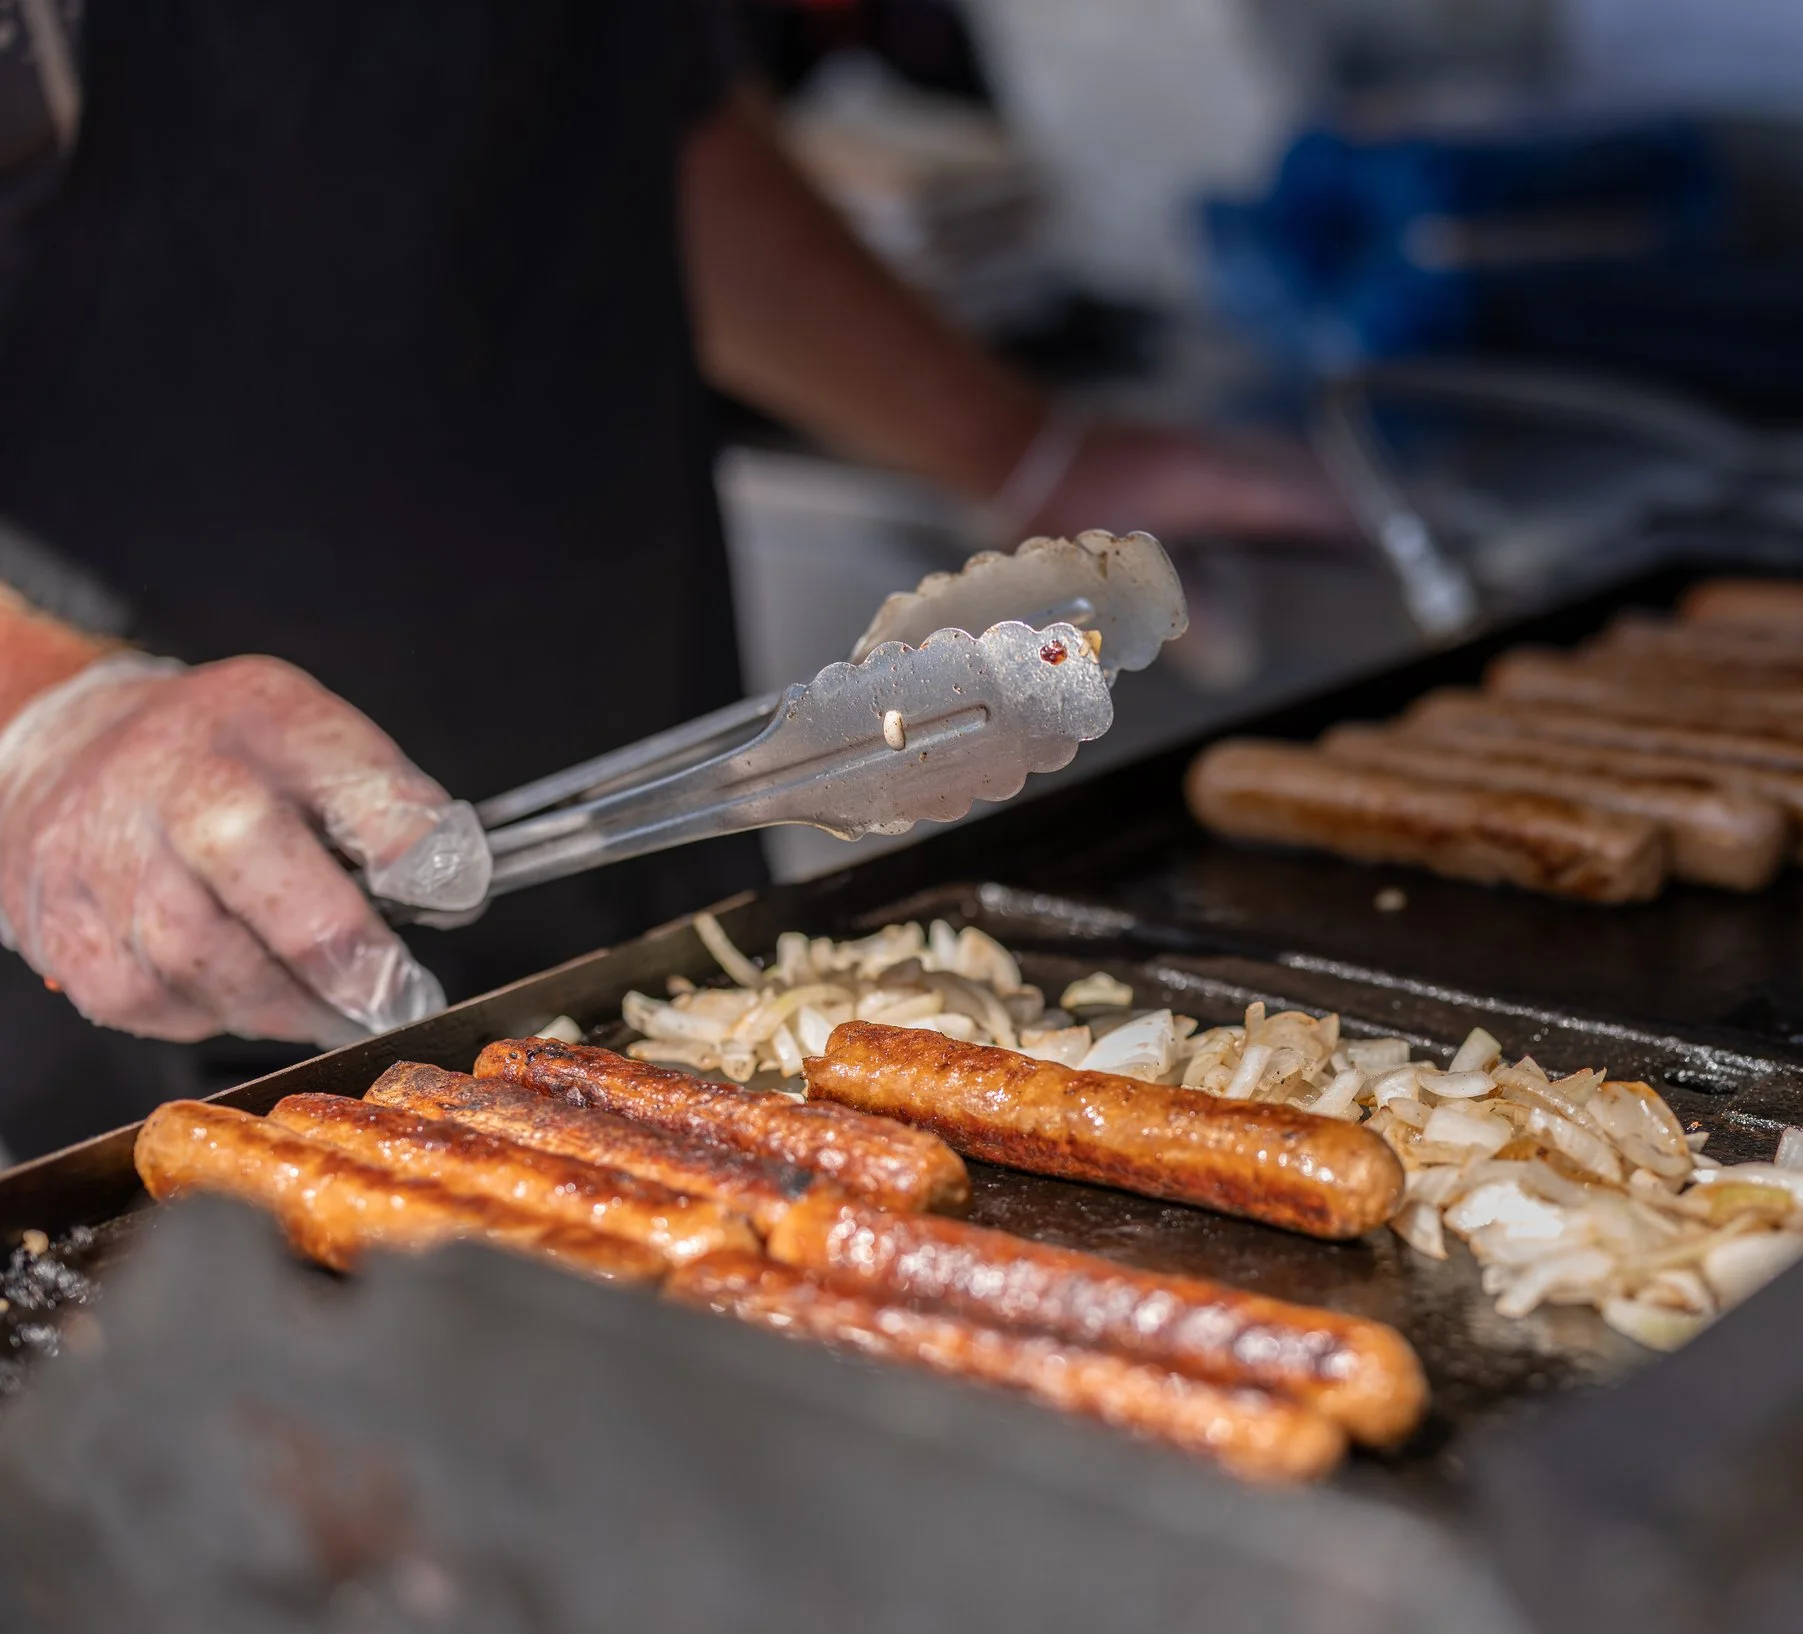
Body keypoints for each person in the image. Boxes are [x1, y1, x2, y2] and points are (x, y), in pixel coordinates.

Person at [0, 0, 1351, 1158]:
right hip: (127, 951)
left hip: (648, 877)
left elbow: (610, 105)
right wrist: (44, 722)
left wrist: (1019, 449)